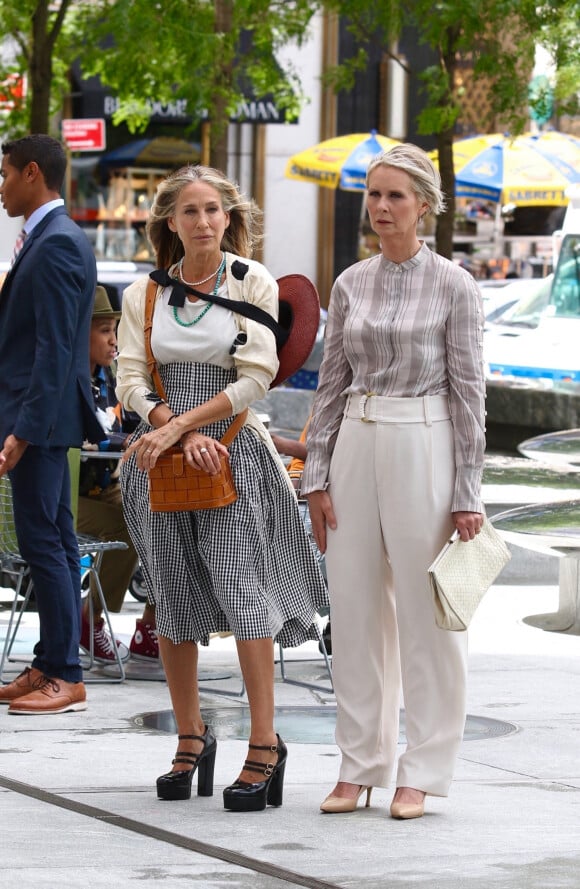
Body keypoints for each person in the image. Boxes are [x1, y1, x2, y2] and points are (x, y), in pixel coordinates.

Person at [116, 164, 328, 810]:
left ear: (229, 218)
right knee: (172, 598)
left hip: (232, 447)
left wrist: (184, 427)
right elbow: (130, 378)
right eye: (190, 211)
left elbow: (256, 375)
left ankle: (264, 741)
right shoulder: (144, 294)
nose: (203, 222)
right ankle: (191, 735)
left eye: (214, 210)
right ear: (170, 222)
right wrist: (172, 434)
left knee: (244, 593)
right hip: (164, 452)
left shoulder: (252, 281)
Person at [301, 143, 486, 820]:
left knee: (428, 613)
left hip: (426, 439)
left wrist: (468, 490)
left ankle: (424, 769)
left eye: (395, 196)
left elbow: (469, 393)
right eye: (372, 195)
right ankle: (359, 764)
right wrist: (316, 476)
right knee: (352, 609)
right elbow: (328, 387)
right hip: (355, 438)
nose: (380, 208)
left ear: (426, 207)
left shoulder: (456, 285)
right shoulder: (350, 283)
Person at [0, 134, 102, 714]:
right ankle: (51, 662)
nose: (1, 185)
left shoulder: (58, 242)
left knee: (46, 544)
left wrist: (23, 429)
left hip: (38, 421)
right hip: (40, 418)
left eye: (6, 173)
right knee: (56, 543)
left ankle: (64, 673)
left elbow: (56, 346)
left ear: (32, 173)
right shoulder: (48, 236)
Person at [77, 285, 158, 663]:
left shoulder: (108, 377)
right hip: (67, 494)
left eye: (115, 330)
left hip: (103, 487)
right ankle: (89, 618)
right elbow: (92, 438)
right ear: (81, 334)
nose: (114, 341)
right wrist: (134, 441)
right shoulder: (69, 380)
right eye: (105, 331)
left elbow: (126, 426)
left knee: (161, 515)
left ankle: (154, 628)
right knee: (127, 528)